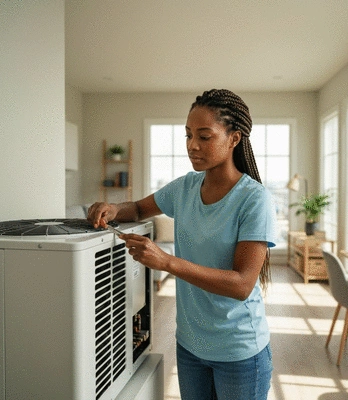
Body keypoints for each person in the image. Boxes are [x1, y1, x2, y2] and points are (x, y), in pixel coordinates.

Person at [87, 89, 276, 400]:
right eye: (188, 135)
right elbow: (136, 208)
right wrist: (113, 208)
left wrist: (167, 262)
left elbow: (242, 284)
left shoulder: (254, 200)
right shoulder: (185, 187)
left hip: (239, 352)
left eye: (204, 136)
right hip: (190, 345)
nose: (192, 145)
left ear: (234, 139)